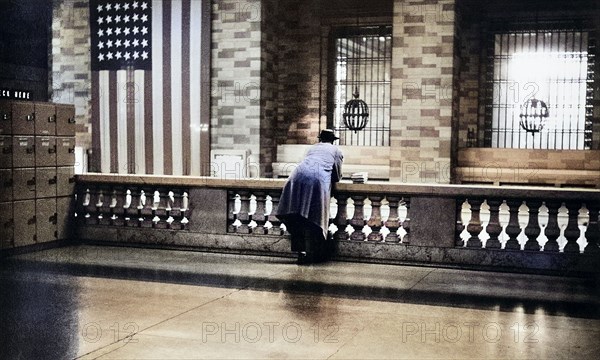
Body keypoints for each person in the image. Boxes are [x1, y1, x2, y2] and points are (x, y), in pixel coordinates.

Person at [276, 129, 344, 265]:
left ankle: (301, 252)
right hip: (317, 180)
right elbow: (336, 175)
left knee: (296, 216)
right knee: (314, 217)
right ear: (332, 140)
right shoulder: (336, 151)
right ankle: (312, 253)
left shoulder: (311, 149)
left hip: (296, 177)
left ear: (320, 139)